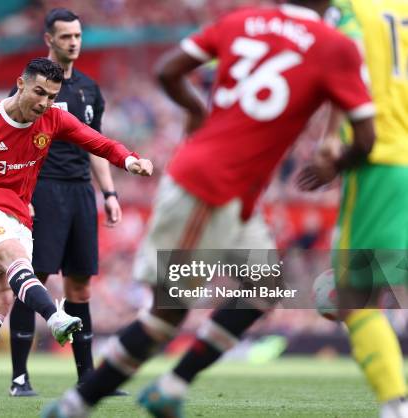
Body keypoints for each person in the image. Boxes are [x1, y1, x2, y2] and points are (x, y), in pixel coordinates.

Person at [43, 1, 376, 417]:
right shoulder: (334, 45)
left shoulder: (240, 21)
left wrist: (198, 110)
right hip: (208, 188)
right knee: (168, 313)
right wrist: (336, 162)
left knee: (265, 287)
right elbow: (366, 137)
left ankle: (171, 384)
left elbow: (168, 70)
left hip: (228, 191)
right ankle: (76, 404)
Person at [0, 57, 153, 412]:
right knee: (16, 258)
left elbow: (96, 141)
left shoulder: (53, 119)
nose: (44, 103)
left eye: (51, 96)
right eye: (38, 92)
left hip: (20, 214)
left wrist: (128, 160)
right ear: (20, 83)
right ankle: (55, 317)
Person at [8, 8, 125, 397]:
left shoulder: (90, 89)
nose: (73, 42)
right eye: (65, 36)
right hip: (43, 190)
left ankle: (87, 378)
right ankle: (20, 378)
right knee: (35, 280)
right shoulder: (29, 88)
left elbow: (95, 145)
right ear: (49, 40)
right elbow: (13, 142)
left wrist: (108, 193)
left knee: (80, 288)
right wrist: (21, 196)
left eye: (77, 35)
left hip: (80, 193)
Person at [300, 1, 408, 416]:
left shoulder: (352, 9)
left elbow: (345, 63)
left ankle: (394, 405)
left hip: (383, 159)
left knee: (353, 297)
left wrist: (332, 142)